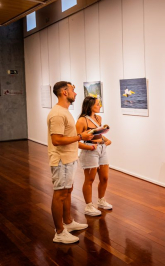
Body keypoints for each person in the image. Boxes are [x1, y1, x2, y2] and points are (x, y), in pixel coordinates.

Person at [47, 81, 94, 244]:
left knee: (67, 191)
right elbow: (57, 140)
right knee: (60, 194)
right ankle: (59, 232)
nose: (76, 93)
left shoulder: (65, 111)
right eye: (73, 90)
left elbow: (66, 136)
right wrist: (81, 137)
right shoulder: (58, 114)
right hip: (61, 160)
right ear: (64, 92)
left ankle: (68, 222)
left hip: (69, 158)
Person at [76, 96, 112, 216]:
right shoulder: (82, 121)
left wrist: (106, 140)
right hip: (89, 151)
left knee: (104, 177)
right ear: (90, 105)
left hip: (102, 149)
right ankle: (88, 206)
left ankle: (101, 200)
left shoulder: (98, 118)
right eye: (97, 104)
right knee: (90, 179)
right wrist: (90, 147)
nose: (99, 106)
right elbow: (76, 141)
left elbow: (98, 134)